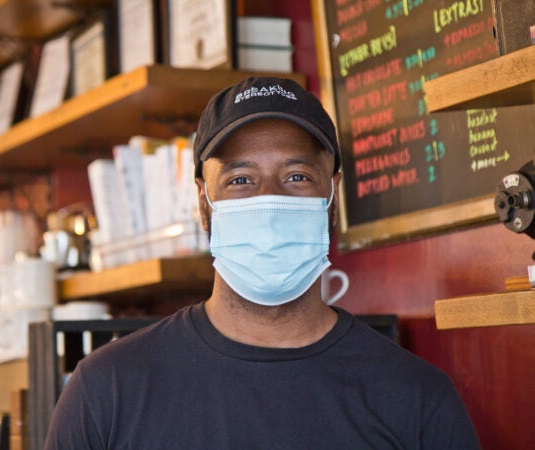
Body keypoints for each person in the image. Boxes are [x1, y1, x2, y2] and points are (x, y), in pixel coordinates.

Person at [44, 77, 480, 449]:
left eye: (296, 177)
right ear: (203, 203)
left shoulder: (418, 399)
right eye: (240, 180)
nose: (268, 199)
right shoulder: (105, 393)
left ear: (332, 196)